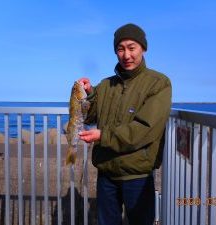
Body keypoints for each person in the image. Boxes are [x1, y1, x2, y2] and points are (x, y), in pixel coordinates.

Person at [78, 23, 172, 225]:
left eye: (132, 47)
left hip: (137, 175)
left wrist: (103, 136)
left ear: (143, 48)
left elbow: (145, 129)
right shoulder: (105, 85)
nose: (126, 55)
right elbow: (90, 118)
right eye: (120, 49)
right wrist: (90, 96)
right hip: (106, 173)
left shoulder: (159, 83)